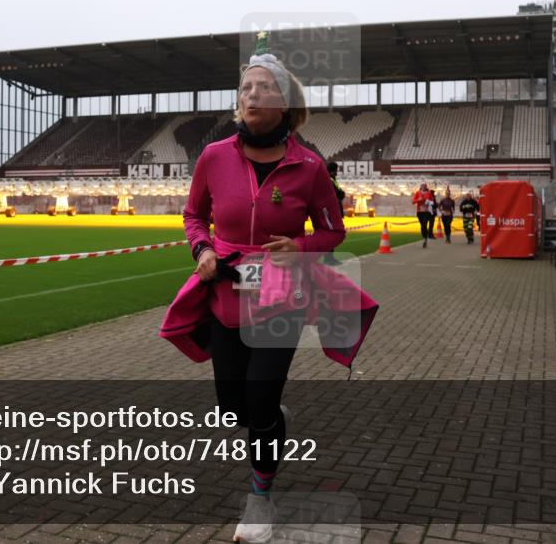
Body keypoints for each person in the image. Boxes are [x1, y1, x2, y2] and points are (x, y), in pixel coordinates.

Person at [159, 40, 379, 543]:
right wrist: (202, 251)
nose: (252, 95)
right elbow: (194, 216)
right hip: (227, 291)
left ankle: (260, 498)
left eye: (264, 87)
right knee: (232, 407)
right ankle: (270, 419)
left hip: (282, 296)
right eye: (245, 88)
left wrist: (299, 246)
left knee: (258, 400)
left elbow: (333, 230)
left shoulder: (308, 167)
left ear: (285, 104)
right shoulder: (213, 157)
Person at [323, 162, 345, 265]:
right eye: (336, 170)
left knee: (331, 234)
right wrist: (341, 193)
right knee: (331, 235)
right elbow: (339, 194)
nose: (337, 172)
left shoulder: (330, 180)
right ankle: (328, 258)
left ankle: (330, 258)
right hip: (331, 211)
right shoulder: (330, 180)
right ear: (333, 171)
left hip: (332, 211)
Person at [412, 183, 435, 247]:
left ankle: (425, 239)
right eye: (422, 186)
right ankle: (425, 236)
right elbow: (413, 202)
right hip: (419, 212)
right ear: (420, 187)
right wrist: (418, 200)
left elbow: (432, 202)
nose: (423, 187)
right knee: (422, 225)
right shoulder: (417, 193)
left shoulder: (429, 193)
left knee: (424, 224)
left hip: (427, 212)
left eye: (425, 186)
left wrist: (428, 202)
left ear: (426, 187)